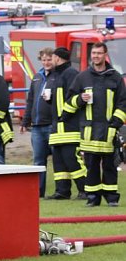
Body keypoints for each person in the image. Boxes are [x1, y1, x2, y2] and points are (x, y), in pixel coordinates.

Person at [66, 42, 126, 207]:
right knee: (91, 166)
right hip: (89, 131)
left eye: (99, 53)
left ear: (105, 55)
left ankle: (111, 198)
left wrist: (115, 122)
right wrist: (79, 99)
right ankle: (92, 198)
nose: (96, 56)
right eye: (94, 53)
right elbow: (68, 102)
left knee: (110, 165)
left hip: (109, 130)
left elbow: (123, 103)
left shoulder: (115, 77)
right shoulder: (82, 77)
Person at [45, 47, 86, 200]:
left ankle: (85, 189)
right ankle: (62, 191)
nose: (50, 60)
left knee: (72, 159)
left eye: (52, 57)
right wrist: (50, 100)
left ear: (58, 58)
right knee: (59, 161)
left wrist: (65, 115)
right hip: (58, 127)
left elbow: (75, 99)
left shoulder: (71, 74)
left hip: (70, 126)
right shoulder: (57, 75)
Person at [20, 48, 54, 197]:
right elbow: (31, 101)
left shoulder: (58, 77)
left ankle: (62, 191)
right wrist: (25, 121)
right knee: (38, 162)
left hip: (52, 125)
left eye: (49, 59)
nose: (46, 62)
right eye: (44, 59)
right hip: (37, 127)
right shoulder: (36, 77)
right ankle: (39, 192)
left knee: (60, 160)